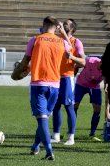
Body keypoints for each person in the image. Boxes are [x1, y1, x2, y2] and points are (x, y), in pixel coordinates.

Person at [17, 16, 71, 160]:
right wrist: (63, 33)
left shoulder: (35, 40)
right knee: (44, 119)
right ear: (57, 27)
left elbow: (25, 61)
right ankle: (35, 146)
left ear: (44, 25)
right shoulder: (62, 42)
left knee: (42, 120)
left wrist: (18, 73)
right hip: (55, 86)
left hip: (38, 84)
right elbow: (70, 51)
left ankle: (49, 151)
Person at [51, 19, 85, 146]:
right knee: (55, 106)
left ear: (72, 28)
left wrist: (72, 57)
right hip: (54, 77)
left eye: (66, 24)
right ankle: (56, 135)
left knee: (69, 106)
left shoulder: (76, 42)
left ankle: (71, 137)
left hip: (66, 77)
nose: (62, 25)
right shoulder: (56, 39)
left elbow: (83, 61)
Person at [74, 56, 103, 141]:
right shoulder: (90, 60)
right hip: (81, 84)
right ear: (101, 61)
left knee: (97, 109)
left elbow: (107, 80)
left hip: (94, 87)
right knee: (74, 106)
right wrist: (74, 74)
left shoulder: (108, 68)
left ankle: (92, 134)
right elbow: (77, 65)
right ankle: (71, 131)